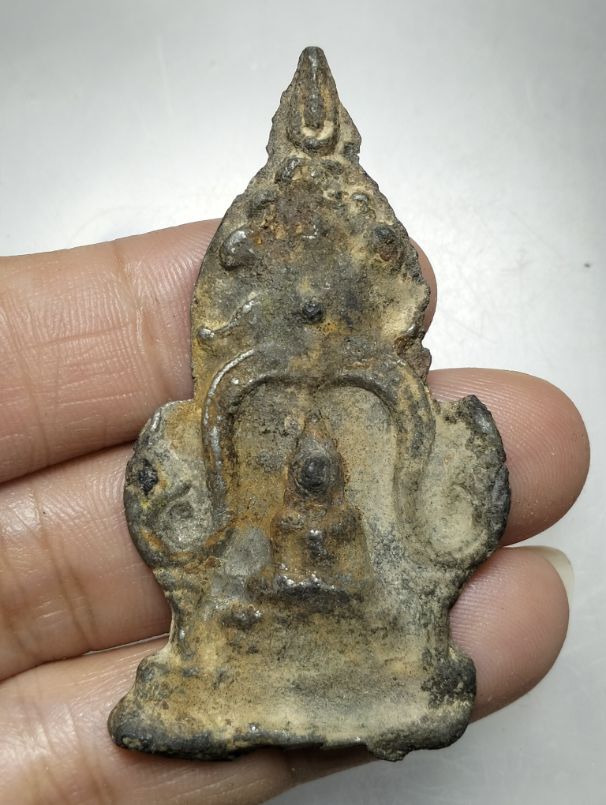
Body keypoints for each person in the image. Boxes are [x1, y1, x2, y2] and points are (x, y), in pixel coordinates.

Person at [0, 220, 589, 804]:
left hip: (357, 605)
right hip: (273, 596)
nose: (311, 474)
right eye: (307, 466)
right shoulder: (279, 497)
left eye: (320, 465)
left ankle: (372, 674)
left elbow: (364, 568)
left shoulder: (345, 509)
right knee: (255, 599)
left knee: (370, 606)